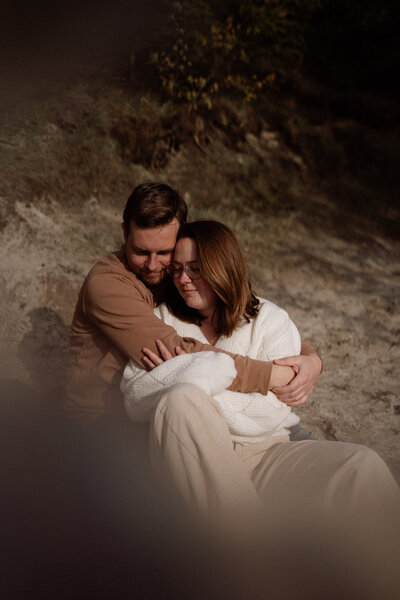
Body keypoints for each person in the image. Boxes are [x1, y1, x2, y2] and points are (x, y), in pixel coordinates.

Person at [121, 220, 400, 528]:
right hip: (193, 457)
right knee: (181, 401)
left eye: (196, 268)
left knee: (361, 465)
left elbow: (271, 412)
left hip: (268, 453)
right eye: (177, 269)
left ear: (223, 266)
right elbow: (135, 397)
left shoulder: (270, 320)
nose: (183, 279)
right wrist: (208, 384)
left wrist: (190, 376)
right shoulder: (162, 320)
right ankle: (252, 554)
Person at [66, 183, 322, 427]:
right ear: (124, 233)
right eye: (141, 252)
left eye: (164, 252)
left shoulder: (177, 274)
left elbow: (249, 312)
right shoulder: (108, 285)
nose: (153, 265)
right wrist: (274, 376)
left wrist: (311, 359)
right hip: (101, 424)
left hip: (157, 419)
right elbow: (180, 352)